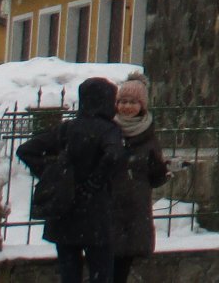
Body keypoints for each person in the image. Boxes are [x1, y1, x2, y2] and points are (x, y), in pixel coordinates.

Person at [18, 76, 127, 283]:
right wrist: (95, 181)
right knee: (101, 273)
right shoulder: (108, 129)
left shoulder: (67, 128)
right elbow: (114, 155)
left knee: (69, 274)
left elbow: (26, 150)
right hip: (95, 212)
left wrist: (52, 174)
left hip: (64, 210)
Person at [108, 77, 168, 283]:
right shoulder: (108, 131)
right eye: (123, 101)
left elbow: (155, 176)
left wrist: (161, 169)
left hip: (135, 208)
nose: (127, 107)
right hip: (109, 204)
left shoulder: (148, 135)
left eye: (132, 102)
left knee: (123, 266)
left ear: (142, 105)